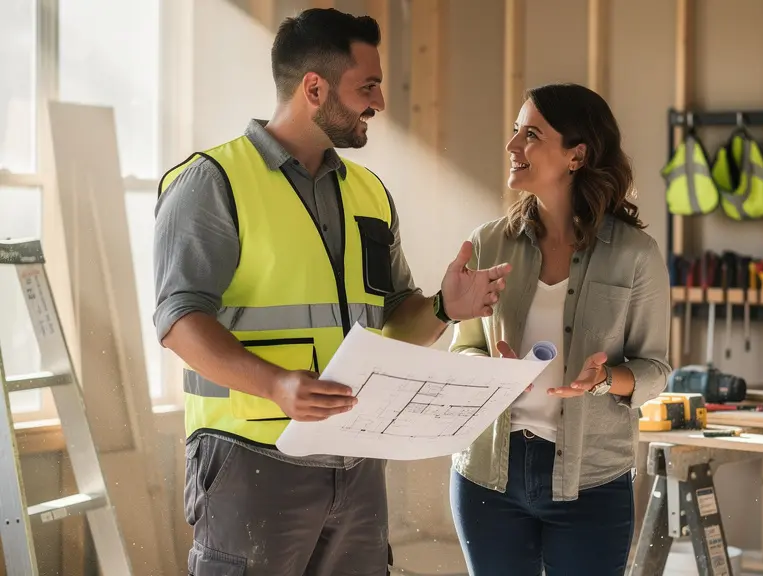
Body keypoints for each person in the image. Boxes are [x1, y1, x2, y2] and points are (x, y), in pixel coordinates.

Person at [153, 9, 510, 576]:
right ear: (314, 88)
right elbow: (178, 321)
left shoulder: (368, 193)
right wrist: (275, 385)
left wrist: (444, 308)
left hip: (357, 461)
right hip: (252, 457)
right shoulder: (213, 182)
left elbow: (394, 321)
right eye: (366, 87)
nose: (380, 104)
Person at [447, 82, 671, 576]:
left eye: (531, 134)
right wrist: (488, 370)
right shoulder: (488, 242)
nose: (512, 146)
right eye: (514, 132)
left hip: (591, 481)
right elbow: (463, 347)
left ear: (577, 155)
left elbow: (655, 368)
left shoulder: (635, 255)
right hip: (488, 476)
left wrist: (606, 379)